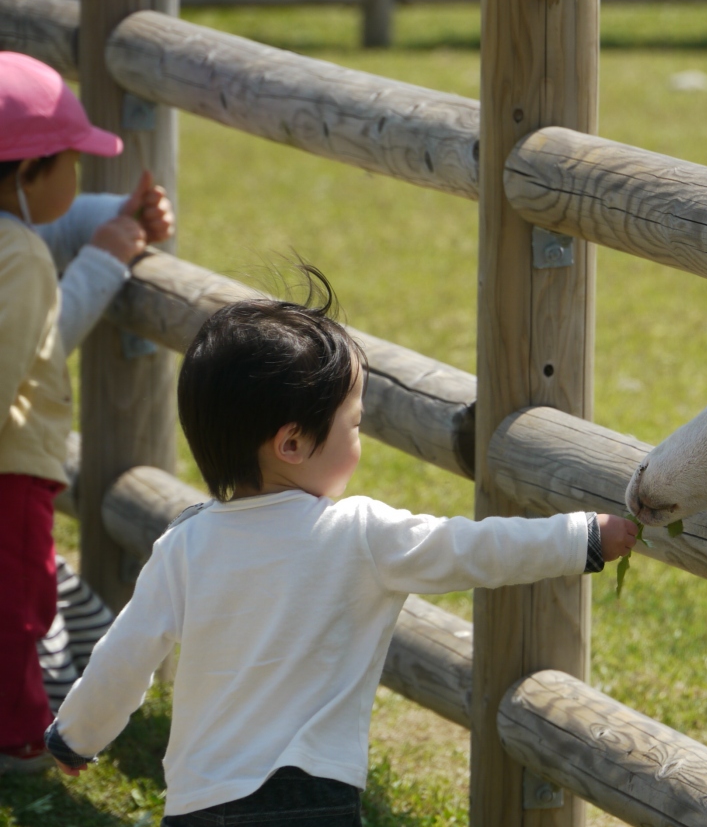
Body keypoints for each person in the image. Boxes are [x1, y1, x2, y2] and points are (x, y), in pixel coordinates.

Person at [44, 268, 639, 825]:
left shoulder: (185, 543)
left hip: (200, 799)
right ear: (292, 444)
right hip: (310, 797)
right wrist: (584, 536)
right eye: (354, 425)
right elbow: (476, 549)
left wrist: (75, 735)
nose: (359, 441)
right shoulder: (357, 533)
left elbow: (123, 656)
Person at [0, 50, 174, 775]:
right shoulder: (19, 257)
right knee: (18, 607)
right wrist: (106, 256)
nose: (80, 174)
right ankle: (19, 738)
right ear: (27, 172)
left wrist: (116, 221)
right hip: (9, 469)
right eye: (71, 160)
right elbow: (26, 356)